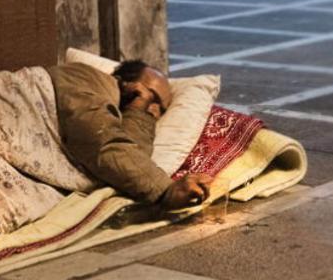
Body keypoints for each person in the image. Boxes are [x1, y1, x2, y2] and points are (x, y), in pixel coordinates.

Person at [47, 60, 213, 210]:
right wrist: (166, 190)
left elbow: (128, 158)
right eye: (151, 95)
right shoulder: (84, 78)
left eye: (159, 108)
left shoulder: (126, 115)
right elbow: (103, 143)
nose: (153, 108)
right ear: (125, 83)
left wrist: (140, 113)